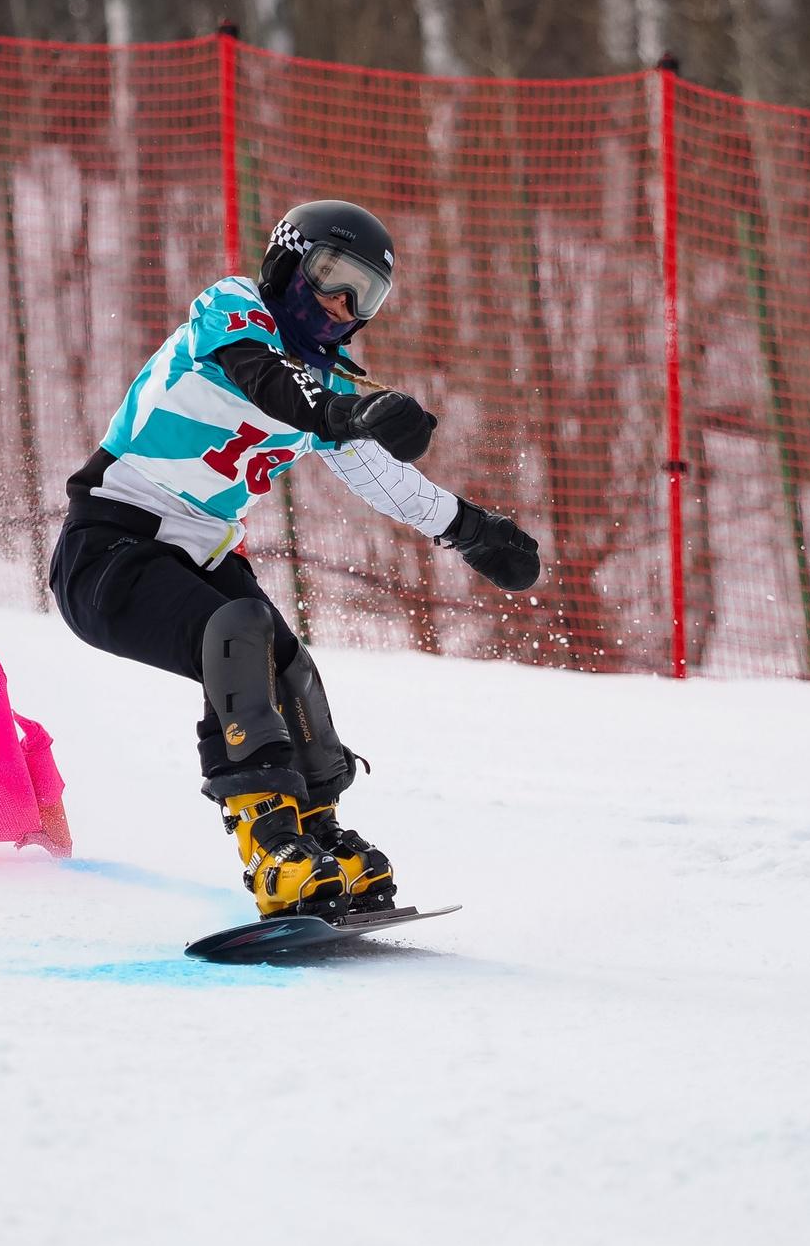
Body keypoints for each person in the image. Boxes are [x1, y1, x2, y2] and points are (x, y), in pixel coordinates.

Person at [49, 200, 541, 918]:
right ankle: (271, 843)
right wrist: (347, 414)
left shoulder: (331, 383)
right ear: (286, 262)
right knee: (240, 627)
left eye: (362, 294)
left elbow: (382, 477)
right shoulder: (232, 306)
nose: (341, 304)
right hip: (108, 548)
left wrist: (470, 528)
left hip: (199, 552)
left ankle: (318, 833)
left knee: (289, 667)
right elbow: (265, 379)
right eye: (331, 276)